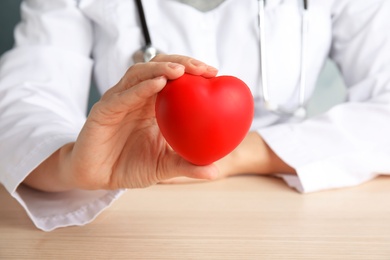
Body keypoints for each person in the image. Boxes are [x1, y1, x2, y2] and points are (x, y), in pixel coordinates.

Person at [0, 0, 389, 231]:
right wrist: (71, 164)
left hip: (294, 210)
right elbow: (22, 97)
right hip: (137, 209)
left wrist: (241, 153)